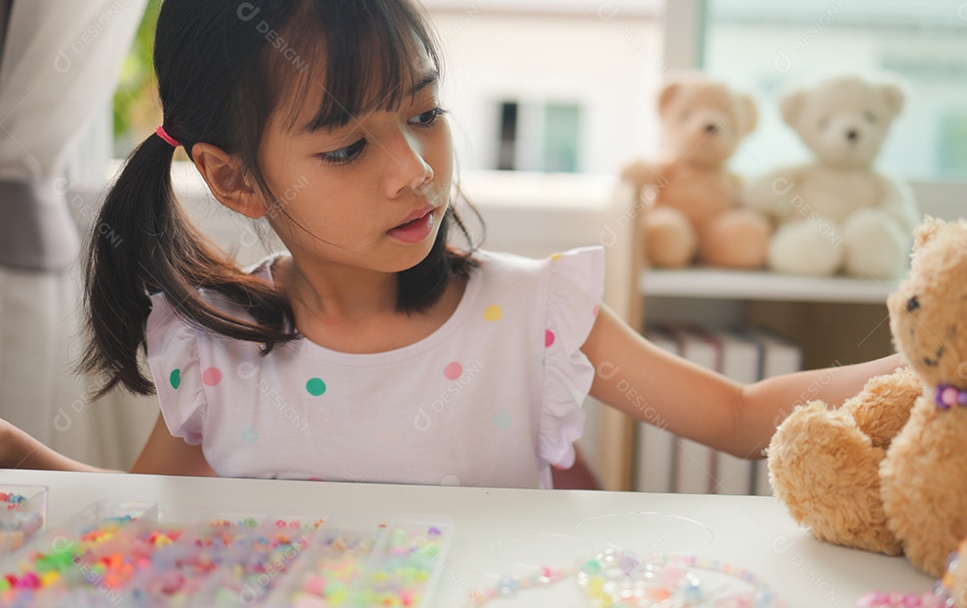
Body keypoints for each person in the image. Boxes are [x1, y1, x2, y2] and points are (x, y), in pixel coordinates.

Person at [0, 0, 902, 488]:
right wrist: (28, 460)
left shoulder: (535, 312)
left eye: (425, 113)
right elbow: (148, 527)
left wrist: (934, 362)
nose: (414, 170)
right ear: (235, 180)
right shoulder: (215, 344)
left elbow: (740, 419)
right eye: (347, 148)